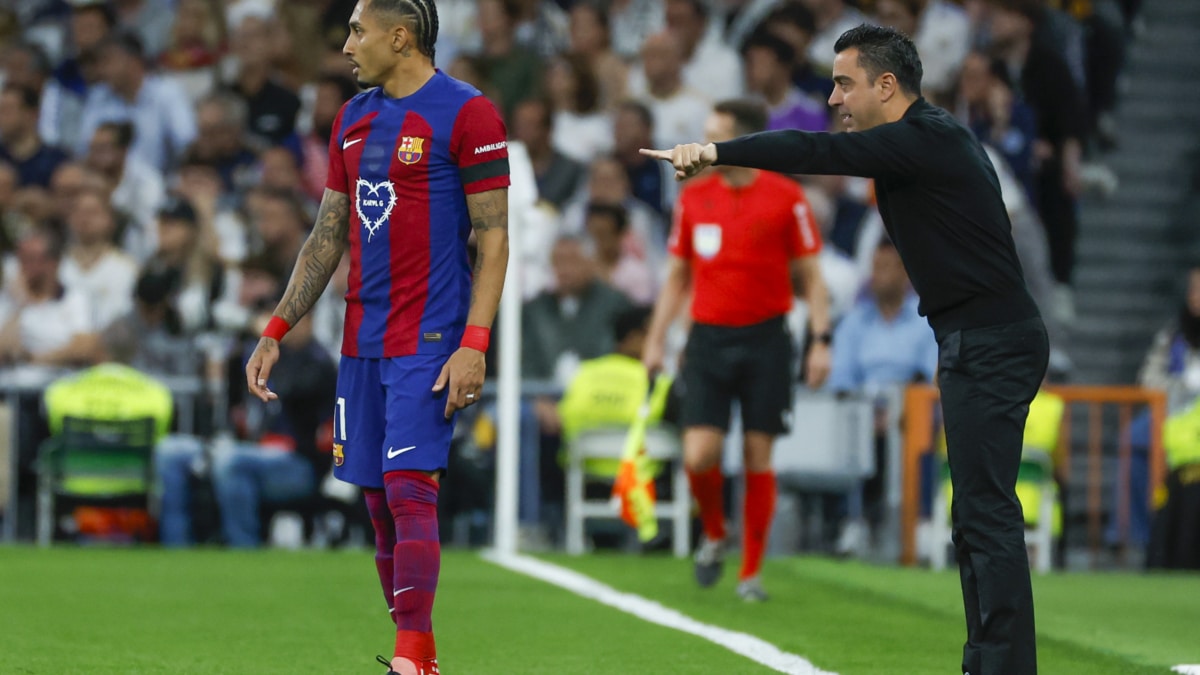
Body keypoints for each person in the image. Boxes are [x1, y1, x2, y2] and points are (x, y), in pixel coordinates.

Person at [642, 24, 1048, 675]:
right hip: (979, 335)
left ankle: (1003, 666)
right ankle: (990, 660)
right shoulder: (928, 140)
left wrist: (717, 150)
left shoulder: (921, 139)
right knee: (974, 512)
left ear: (887, 86)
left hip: (989, 339)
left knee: (985, 511)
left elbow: (812, 149)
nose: (834, 98)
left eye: (844, 83)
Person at [243, 1, 510, 673]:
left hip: (432, 335)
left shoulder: (468, 113)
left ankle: (410, 657)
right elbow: (327, 233)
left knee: (408, 486)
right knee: (376, 501)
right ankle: (422, 652)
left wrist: (474, 341)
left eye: (358, 30)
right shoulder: (353, 118)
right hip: (360, 337)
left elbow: (496, 236)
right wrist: (278, 326)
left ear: (401, 36)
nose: (346, 44)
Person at [642, 99, 832, 603]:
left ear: (742, 141)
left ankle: (750, 573)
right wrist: (657, 340)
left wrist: (821, 339)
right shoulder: (694, 199)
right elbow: (676, 276)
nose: (704, 147)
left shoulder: (786, 197)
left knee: (757, 455)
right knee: (699, 453)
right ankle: (716, 531)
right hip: (707, 338)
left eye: (715, 136)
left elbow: (812, 276)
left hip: (767, 338)